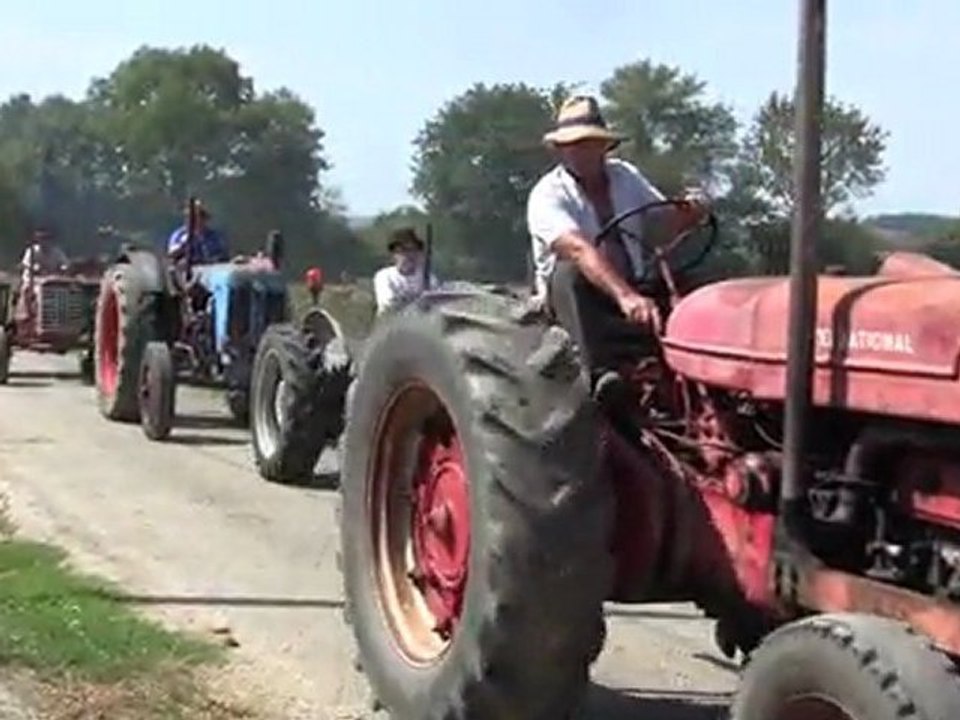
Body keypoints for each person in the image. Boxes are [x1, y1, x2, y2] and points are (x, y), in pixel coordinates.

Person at [526, 95, 709, 402]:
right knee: (569, 274)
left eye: (590, 143)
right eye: (574, 144)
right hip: (577, 301)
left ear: (604, 146)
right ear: (560, 150)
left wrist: (690, 212)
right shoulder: (547, 194)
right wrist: (626, 296)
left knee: (697, 289)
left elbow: (662, 221)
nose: (582, 151)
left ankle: (704, 372)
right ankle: (599, 376)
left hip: (633, 283)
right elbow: (577, 249)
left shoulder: (625, 176)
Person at [372, 227, 438, 315]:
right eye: (405, 250)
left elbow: (437, 304)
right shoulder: (384, 276)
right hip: (392, 325)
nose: (410, 255)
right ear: (394, 254)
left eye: (414, 250)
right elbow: (388, 305)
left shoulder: (429, 277)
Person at [166, 201, 229, 265]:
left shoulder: (214, 236)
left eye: (198, 216)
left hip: (210, 270)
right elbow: (172, 254)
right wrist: (184, 243)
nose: (193, 220)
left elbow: (223, 256)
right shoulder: (179, 235)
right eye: (188, 217)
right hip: (187, 271)